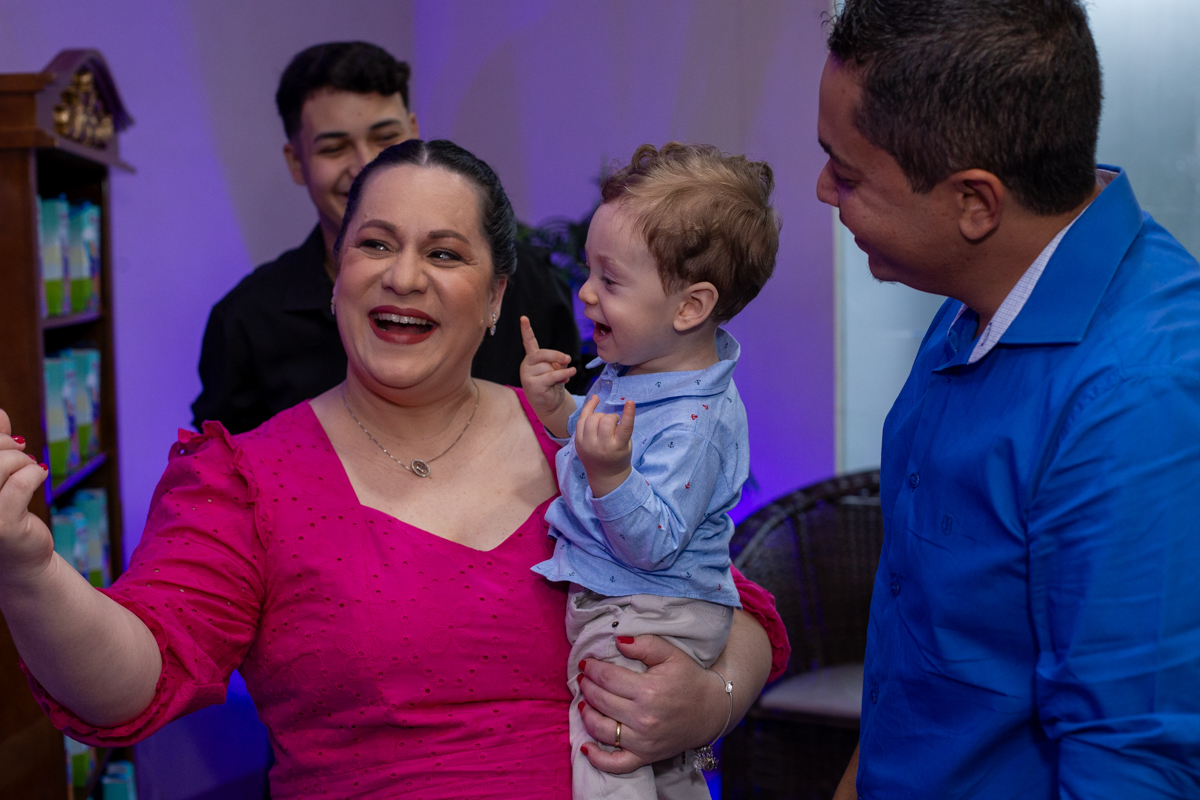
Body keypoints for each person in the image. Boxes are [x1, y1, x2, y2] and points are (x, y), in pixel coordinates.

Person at [0, 139, 789, 799]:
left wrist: (709, 702)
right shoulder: (247, 480)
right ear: (336, 275)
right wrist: (29, 569)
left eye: (444, 253)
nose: (404, 277)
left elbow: (736, 605)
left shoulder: (581, 435)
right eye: (375, 244)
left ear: (494, 297)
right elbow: (130, 679)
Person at [816, 1, 1200, 798]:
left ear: (975, 203)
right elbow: (925, 631)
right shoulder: (984, 290)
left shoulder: (1137, 399)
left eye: (848, 175)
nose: (824, 190)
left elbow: (1130, 759)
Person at [520, 142, 779, 799]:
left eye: (610, 281)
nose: (585, 293)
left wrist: (609, 474)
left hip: (650, 608)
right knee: (664, 772)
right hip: (634, 598)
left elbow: (653, 540)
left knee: (609, 746)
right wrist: (559, 412)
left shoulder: (696, 423)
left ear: (689, 308)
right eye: (590, 271)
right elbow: (601, 440)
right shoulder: (643, 369)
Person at [191, 41, 581, 435]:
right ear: (296, 161)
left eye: (384, 137)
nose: (364, 164)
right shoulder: (248, 318)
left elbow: (578, 424)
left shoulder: (528, 282)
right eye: (334, 148)